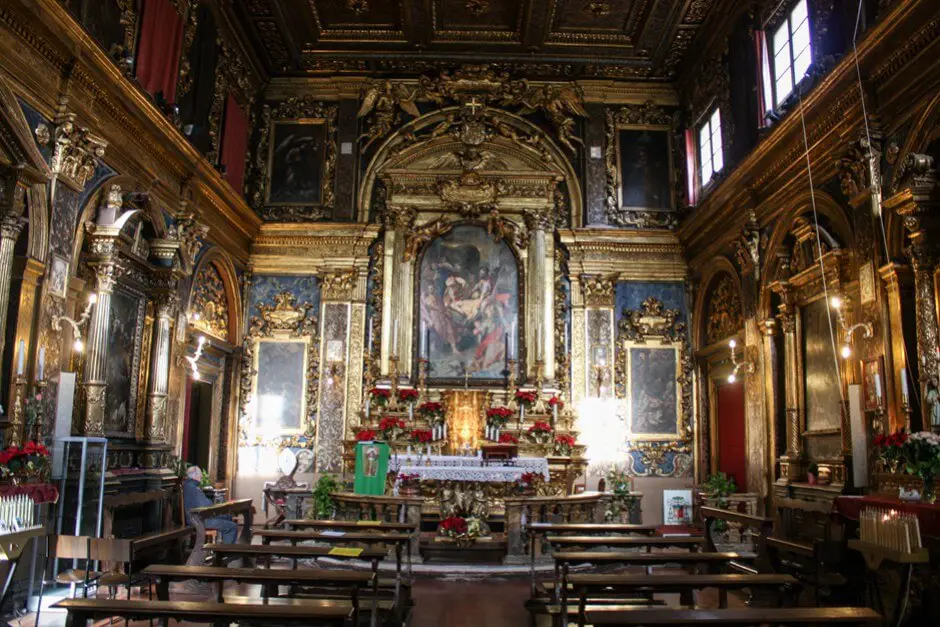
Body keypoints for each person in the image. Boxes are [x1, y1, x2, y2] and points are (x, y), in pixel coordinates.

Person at [182, 466, 238, 544]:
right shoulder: (194, 488)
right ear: (194, 476)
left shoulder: (188, 486)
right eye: (200, 474)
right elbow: (206, 506)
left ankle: (224, 547)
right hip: (199, 520)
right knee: (232, 527)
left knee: (228, 517)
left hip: (196, 518)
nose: (201, 476)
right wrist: (210, 502)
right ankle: (228, 552)